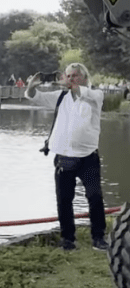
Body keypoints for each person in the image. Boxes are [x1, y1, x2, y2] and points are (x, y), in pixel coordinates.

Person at [25, 63, 107, 251]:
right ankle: (68, 239)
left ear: (84, 78)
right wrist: (31, 86)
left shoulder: (95, 96)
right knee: (64, 200)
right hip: (64, 157)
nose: (71, 79)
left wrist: (70, 85)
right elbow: (34, 97)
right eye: (68, 76)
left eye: (75, 76)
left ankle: (99, 238)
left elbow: (80, 92)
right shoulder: (60, 97)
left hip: (88, 157)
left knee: (94, 197)